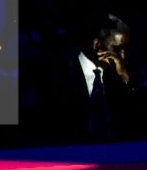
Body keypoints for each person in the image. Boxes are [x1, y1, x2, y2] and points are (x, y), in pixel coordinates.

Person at [39, 14, 140, 143]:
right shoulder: (61, 71)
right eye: (117, 48)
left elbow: (136, 116)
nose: (123, 55)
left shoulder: (120, 72)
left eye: (126, 49)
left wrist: (123, 76)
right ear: (97, 44)